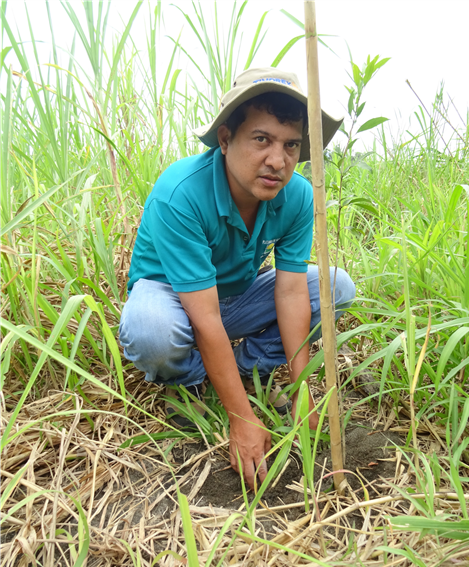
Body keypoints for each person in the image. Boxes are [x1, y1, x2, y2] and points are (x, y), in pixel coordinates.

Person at [119, 67, 356, 490]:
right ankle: (189, 380)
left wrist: (302, 386)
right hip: (174, 298)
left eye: (291, 145)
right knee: (151, 331)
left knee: (335, 286)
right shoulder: (182, 192)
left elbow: (289, 290)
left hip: (236, 297)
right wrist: (242, 417)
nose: (277, 160)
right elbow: (204, 317)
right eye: (261, 139)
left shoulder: (297, 196)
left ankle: (250, 368)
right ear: (226, 139)